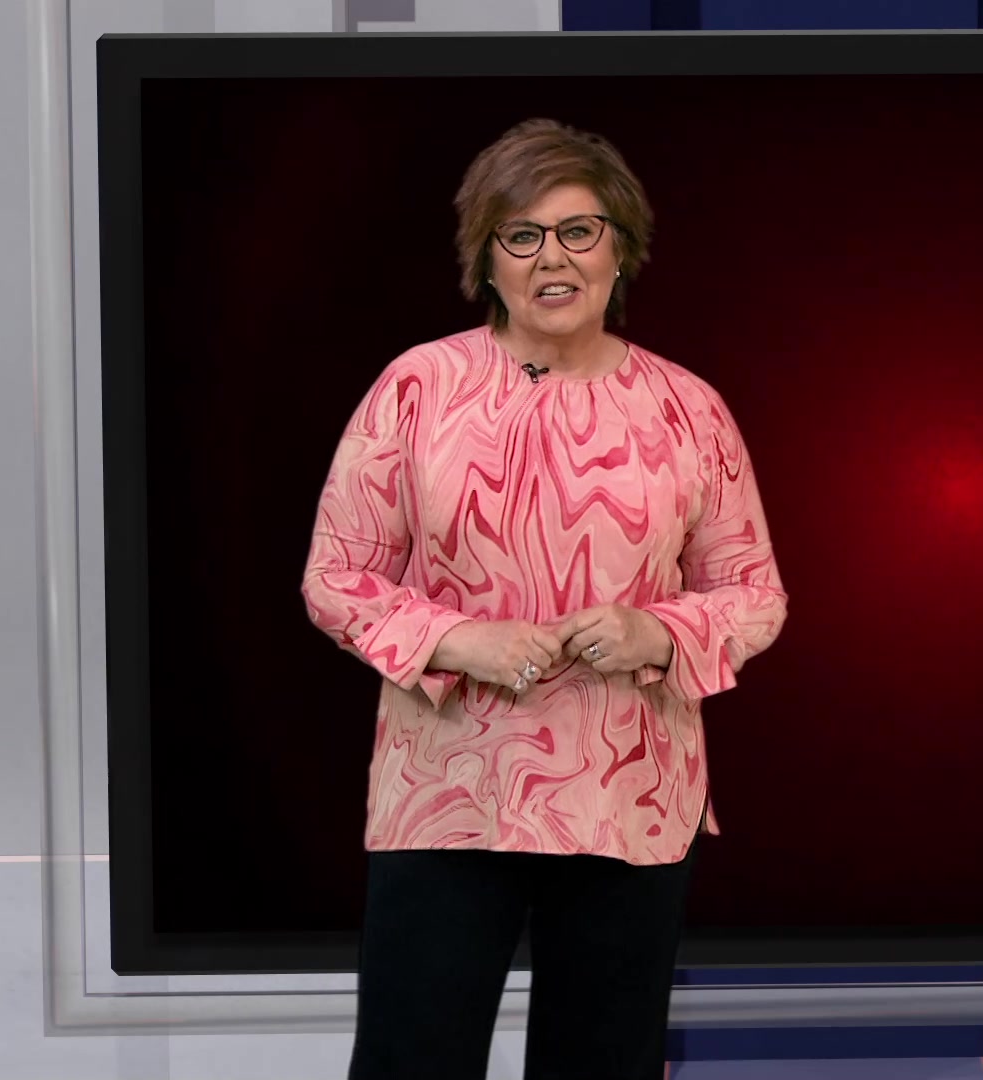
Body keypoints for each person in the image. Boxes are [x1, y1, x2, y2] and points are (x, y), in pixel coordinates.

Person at [301, 117, 787, 1080]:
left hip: (629, 798)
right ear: (487, 259)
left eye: (578, 230)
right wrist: (458, 640)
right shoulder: (416, 389)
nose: (551, 257)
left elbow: (753, 593)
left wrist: (657, 629)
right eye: (521, 235)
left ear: (620, 247)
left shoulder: (688, 408)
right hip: (448, 793)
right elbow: (336, 577)